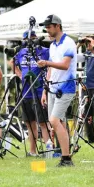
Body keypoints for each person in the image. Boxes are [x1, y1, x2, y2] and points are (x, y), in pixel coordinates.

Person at [38, 14, 77, 167]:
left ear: (57, 26)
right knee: (56, 122)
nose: (47, 30)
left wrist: (47, 62)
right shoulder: (53, 45)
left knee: (54, 120)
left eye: (49, 27)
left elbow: (65, 65)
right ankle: (65, 155)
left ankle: (66, 158)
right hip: (52, 87)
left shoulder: (68, 43)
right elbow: (50, 68)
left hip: (66, 87)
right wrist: (44, 90)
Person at [13, 30, 50, 156]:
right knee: (29, 122)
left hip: (39, 91)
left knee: (43, 122)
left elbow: (50, 66)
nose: (30, 41)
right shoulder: (21, 52)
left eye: (33, 38)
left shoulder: (44, 51)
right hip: (25, 92)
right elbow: (13, 64)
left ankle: (49, 149)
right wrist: (20, 76)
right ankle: (32, 151)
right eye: (27, 39)